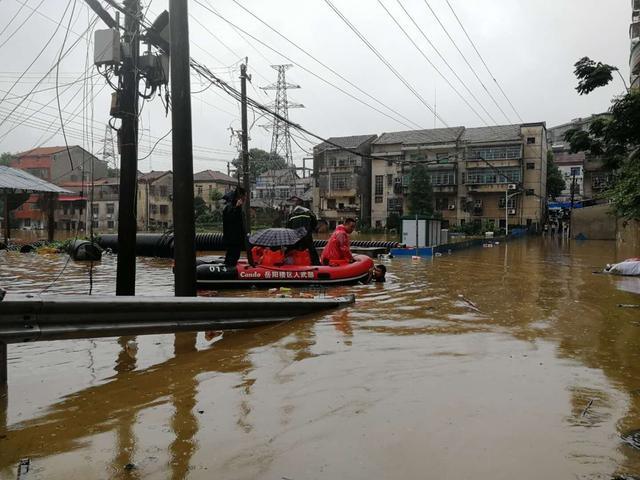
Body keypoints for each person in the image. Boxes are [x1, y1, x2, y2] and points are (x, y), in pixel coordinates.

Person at [287, 199, 320, 265]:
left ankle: (289, 263)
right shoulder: (308, 212)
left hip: (295, 236)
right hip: (306, 234)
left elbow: (288, 227)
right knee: (311, 249)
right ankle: (316, 264)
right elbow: (315, 222)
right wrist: (311, 229)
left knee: (292, 250)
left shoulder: (292, 214)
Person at [222, 187, 248, 267]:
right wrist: (237, 208)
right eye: (245, 196)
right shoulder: (230, 207)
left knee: (235, 256)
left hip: (237, 239)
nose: (245, 198)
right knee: (231, 257)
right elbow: (231, 219)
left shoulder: (236, 207)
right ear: (240, 196)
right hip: (232, 239)